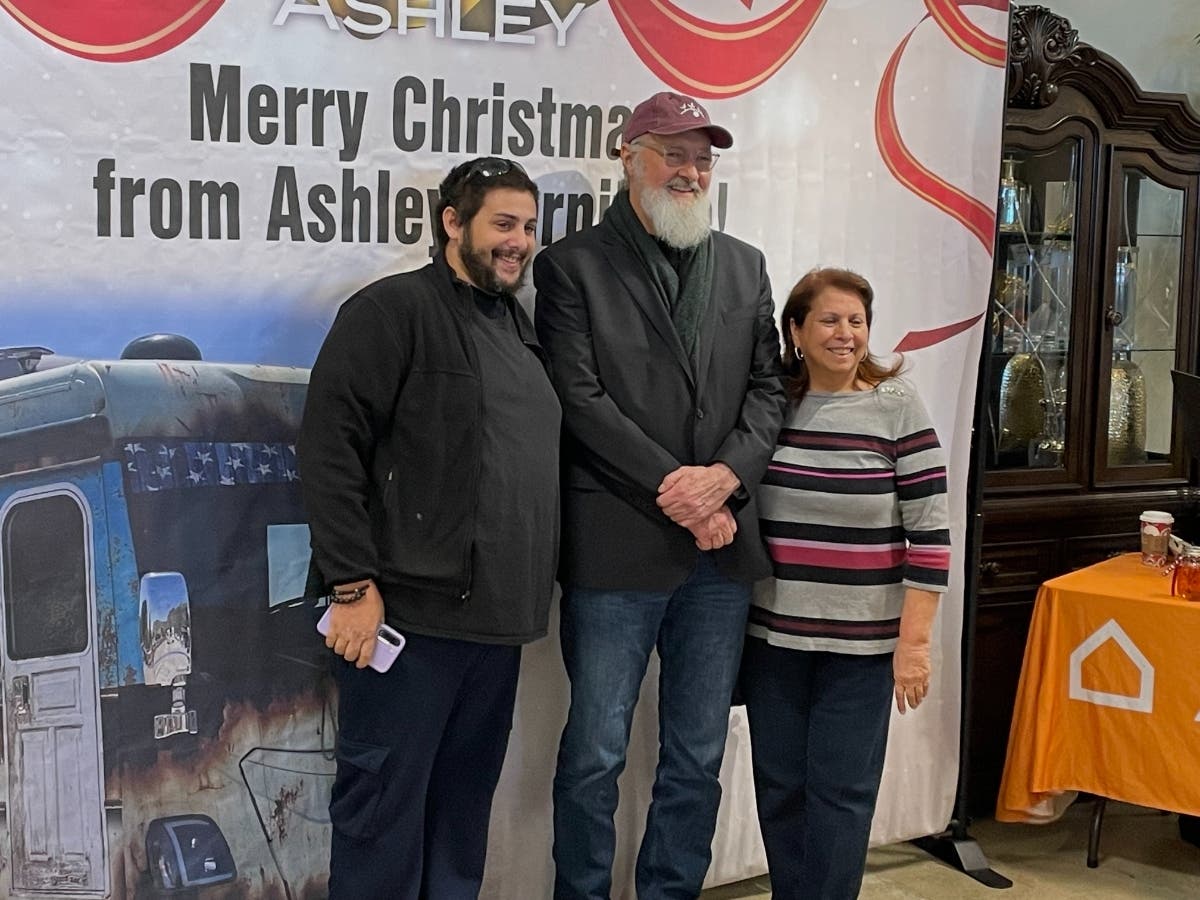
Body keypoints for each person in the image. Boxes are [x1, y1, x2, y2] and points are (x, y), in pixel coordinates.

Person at [534, 91, 787, 898]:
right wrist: (675, 488)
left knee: (698, 753)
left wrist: (724, 480)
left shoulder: (744, 264)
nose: (691, 171)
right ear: (629, 154)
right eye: (674, 153)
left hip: (722, 554)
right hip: (618, 547)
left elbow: (767, 392)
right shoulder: (571, 265)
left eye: (703, 158)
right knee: (596, 752)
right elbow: (578, 398)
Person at [298, 157, 560, 899]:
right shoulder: (391, 312)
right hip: (410, 627)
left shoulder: (521, 326)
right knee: (381, 818)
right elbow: (328, 448)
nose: (518, 242)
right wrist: (351, 585)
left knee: (459, 823)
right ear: (452, 222)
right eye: (502, 224)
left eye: (529, 227)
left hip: (498, 630)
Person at [741, 267, 951, 899]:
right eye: (829, 319)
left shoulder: (895, 405)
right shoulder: (771, 401)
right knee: (779, 789)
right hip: (774, 638)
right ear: (796, 330)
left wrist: (912, 646)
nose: (846, 333)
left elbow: (931, 533)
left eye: (857, 321)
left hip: (862, 648)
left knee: (841, 795)